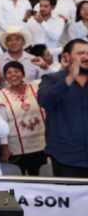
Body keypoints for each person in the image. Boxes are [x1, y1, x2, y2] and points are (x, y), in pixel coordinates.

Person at [37, 39, 88, 177]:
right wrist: (70, 77)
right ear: (66, 56)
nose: (86, 57)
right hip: (65, 157)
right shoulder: (51, 79)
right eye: (81, 53)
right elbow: (45, 101)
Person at [0, 62, 47, 176]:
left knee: (40, 179)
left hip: (40, 144)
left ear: (23, 74)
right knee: (19, 181)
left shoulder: (36, 86)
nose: (13, 74)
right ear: (5, 77)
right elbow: (2, 122)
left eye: (16, 71)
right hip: (16, 148)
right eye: (9, 72)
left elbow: (54, 78)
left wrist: (47, 67)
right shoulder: (1, 94)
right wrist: (4, 146)